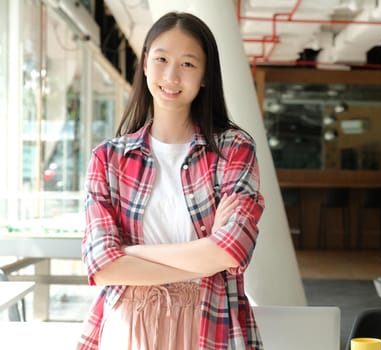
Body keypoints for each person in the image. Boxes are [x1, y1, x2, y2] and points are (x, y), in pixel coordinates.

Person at [78, 11, 265, 350]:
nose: (171, 75)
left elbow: (231, 250)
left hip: (210, 322)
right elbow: (102, 267)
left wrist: (131, 255)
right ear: (145, 64)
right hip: (128, 324)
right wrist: (203, 259)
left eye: (188, 64)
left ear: (206, 75)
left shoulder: (233, 149)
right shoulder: (108, 159)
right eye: (161, 59)